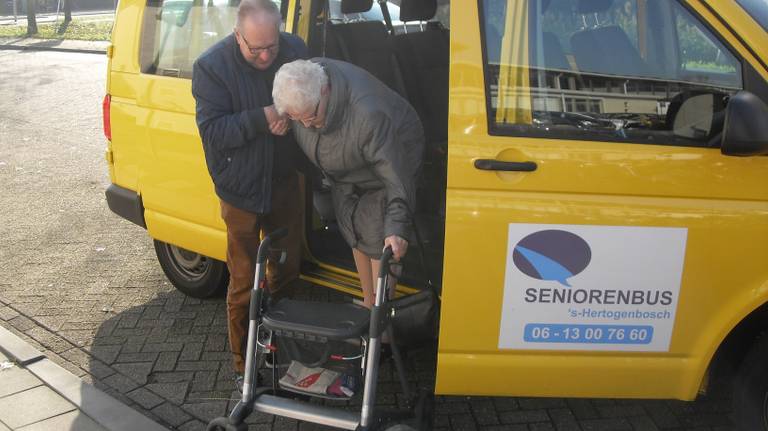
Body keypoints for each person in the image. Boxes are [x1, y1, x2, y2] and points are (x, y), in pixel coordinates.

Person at [190, 0, 308, 388]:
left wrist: (291, 118)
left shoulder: (295, 50)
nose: (264, 56)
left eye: (270, 47)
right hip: (239, 189)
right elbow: (214, 133)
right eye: (254, 48)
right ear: (236, 35)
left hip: (285, 181)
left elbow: (313, 98)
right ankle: (244, 363)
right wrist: (262, 118)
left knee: (287, 271)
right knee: (243, 280)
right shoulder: (211, 67)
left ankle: (282, 345)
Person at [272, 59, 424, 308]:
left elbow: (396, 177)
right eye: (297, 120)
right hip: (348, 163)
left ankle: (380, 318)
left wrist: (397, 227)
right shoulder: (302, 92)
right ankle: (368, 301)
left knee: (378, 232)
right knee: (351, 223)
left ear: (325, 90)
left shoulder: (368, 114)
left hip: (393, 155)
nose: (307, 125)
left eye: (310, 117)